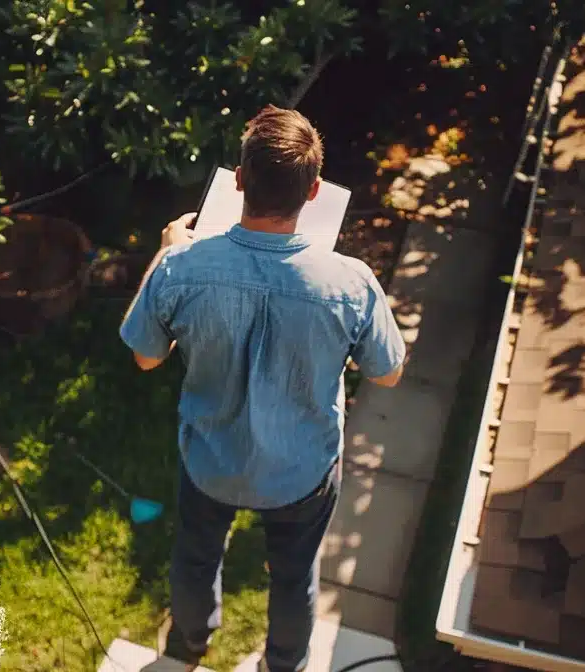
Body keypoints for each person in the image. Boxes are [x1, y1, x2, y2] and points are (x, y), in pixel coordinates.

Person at [118, 105, 407, 672]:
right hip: (303, 471)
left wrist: (166, 251)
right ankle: (285, 664)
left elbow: (146, 356)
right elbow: (388, 372)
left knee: (196, 559)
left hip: (211, 460)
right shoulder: (350, 282)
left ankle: (188, 646)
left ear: (241, 180)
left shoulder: (182, 266)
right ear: (316, 190)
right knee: (296, 577)